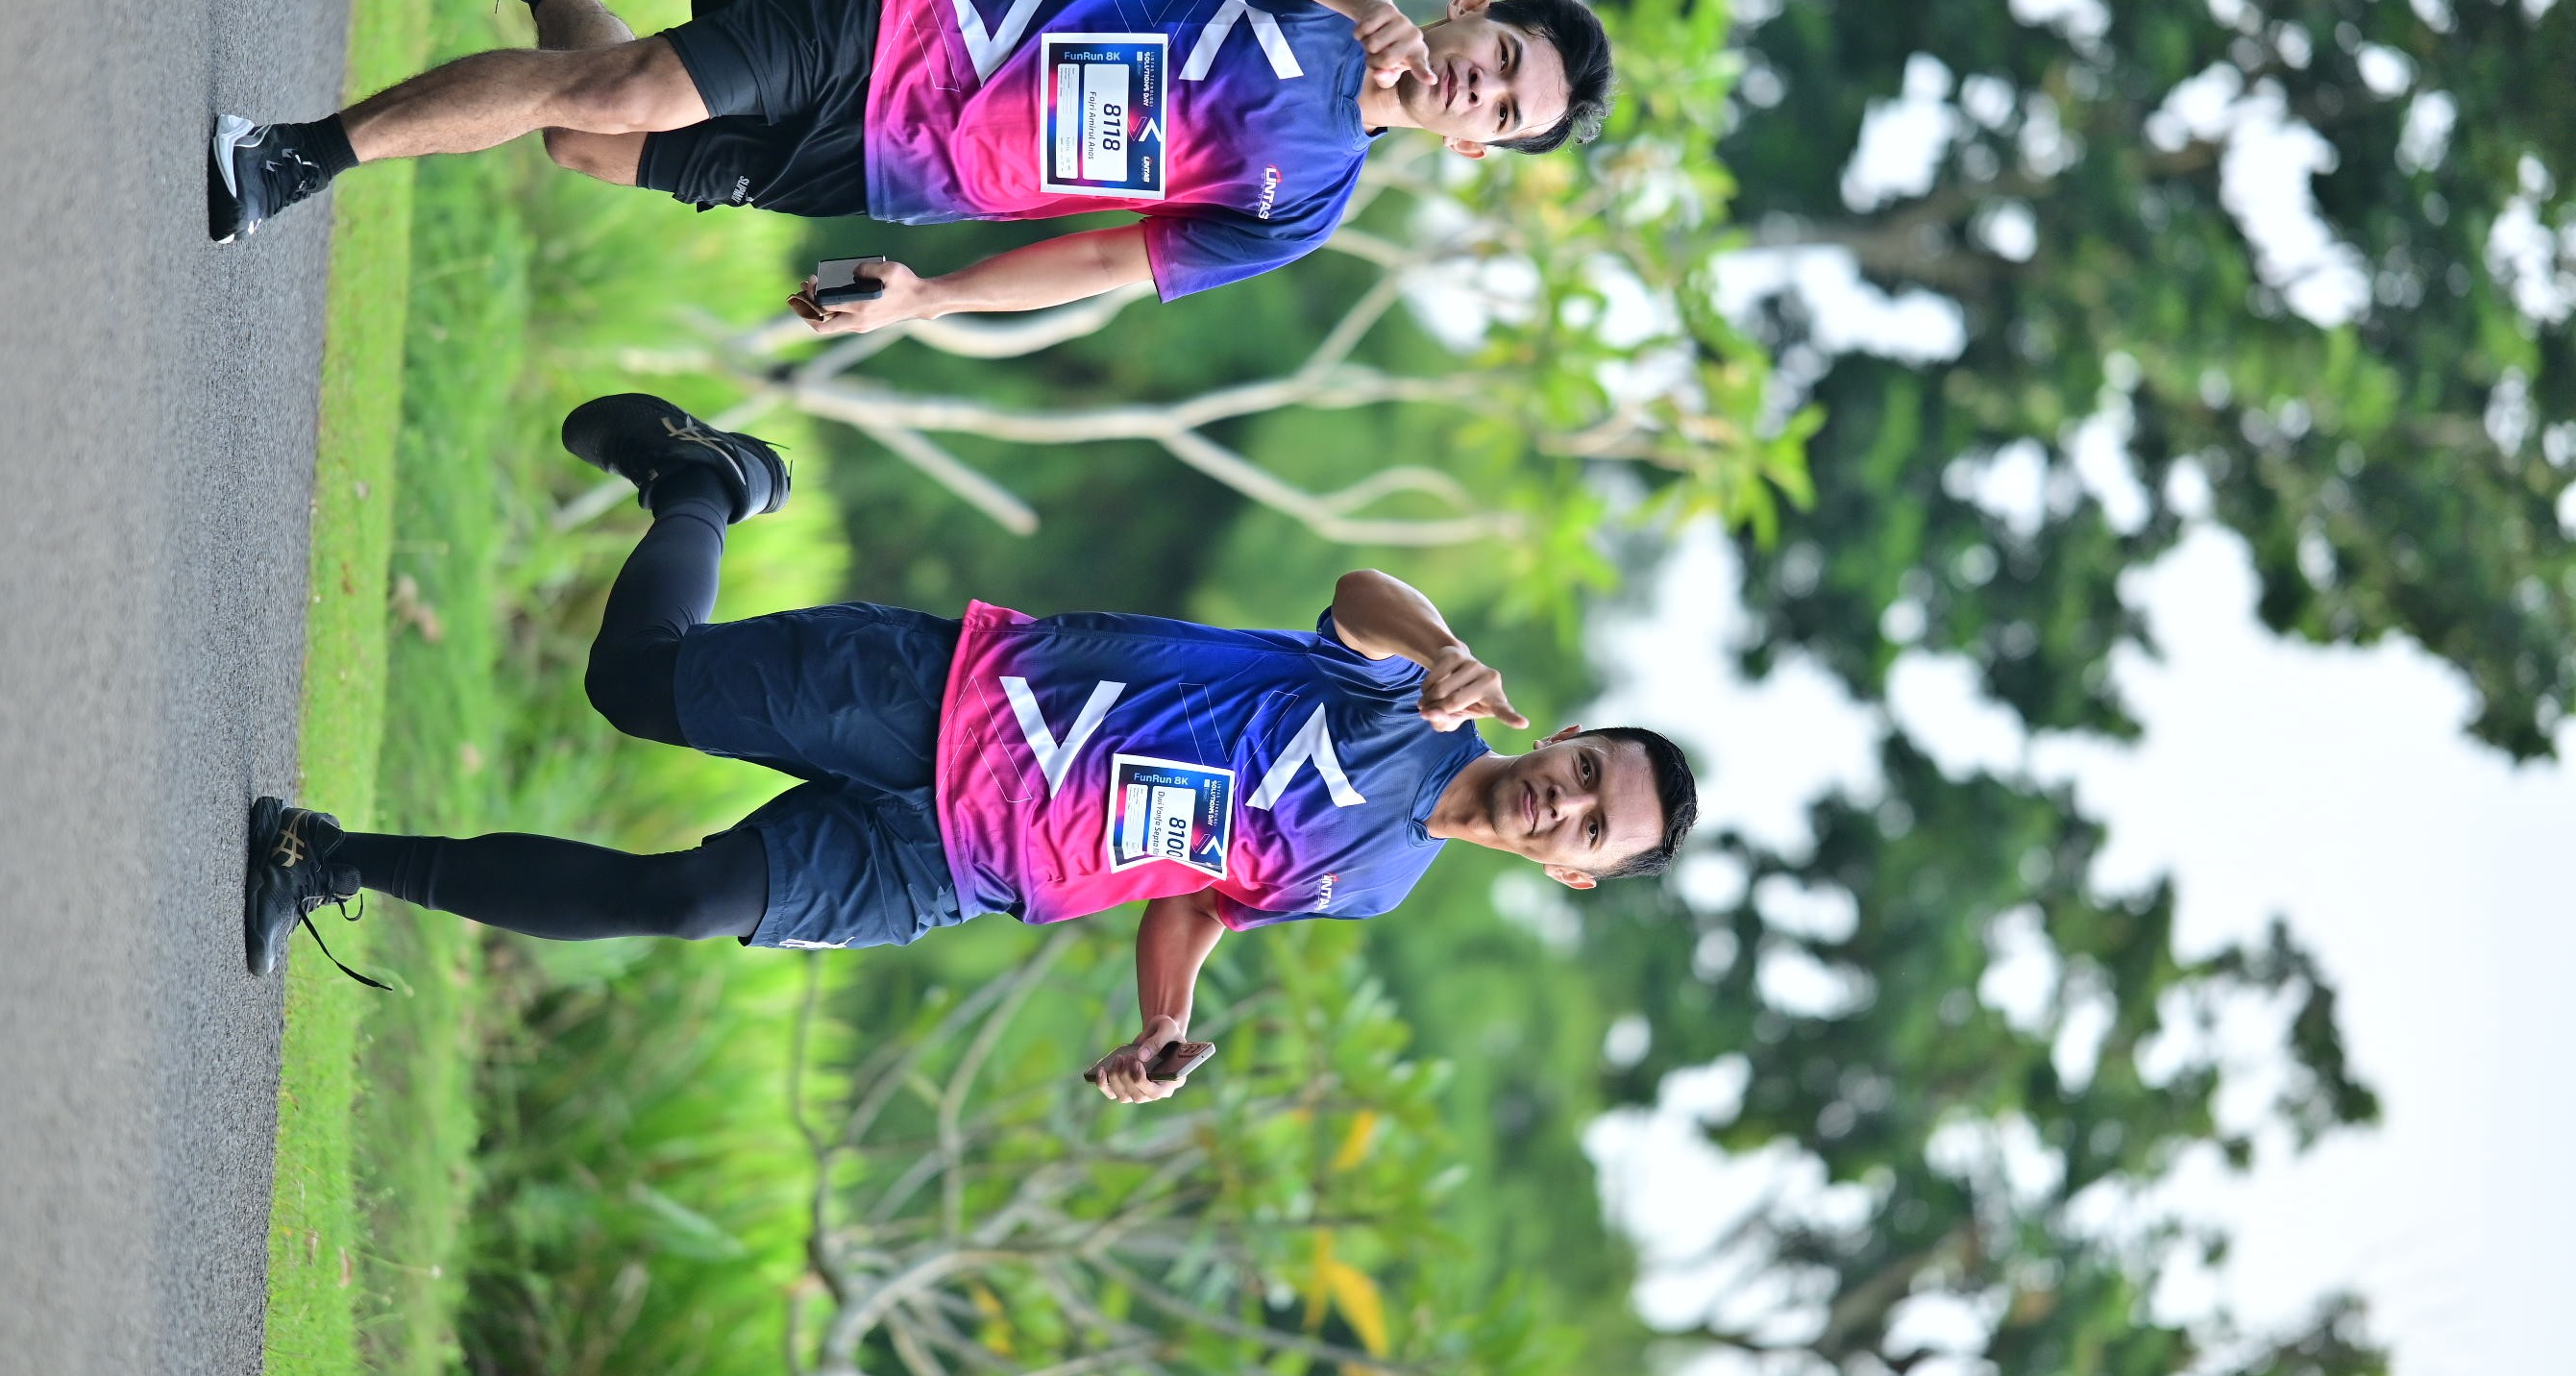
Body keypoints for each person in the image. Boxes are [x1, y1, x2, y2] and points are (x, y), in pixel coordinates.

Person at [246, 393, 1696, 1101]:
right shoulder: (1418, 695)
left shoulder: (1375, 883)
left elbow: (1196, 899)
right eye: (1587, 774)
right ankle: (701, 484)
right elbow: (1360, 592)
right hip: (948, 699)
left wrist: (1162, 1024)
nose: (1562, 804)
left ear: (1571, 875)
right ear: (1567, 737)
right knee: (634, 686)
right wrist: (1438, 647)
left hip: (956, 865)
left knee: (678, 901)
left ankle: (326, 860)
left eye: (1590, 828)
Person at [209, 0, 1615, 332]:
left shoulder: (1303, 202)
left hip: (896, 166)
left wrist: (933, 301)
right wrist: (1366, 5)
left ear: (1476, 144)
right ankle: (294, 158)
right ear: (1469, 11)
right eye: (1498, 57)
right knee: (627, 85)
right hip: (909, 24)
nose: (1480, 88)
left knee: (590, 136)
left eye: (1503, 112)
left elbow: (1105, 259)